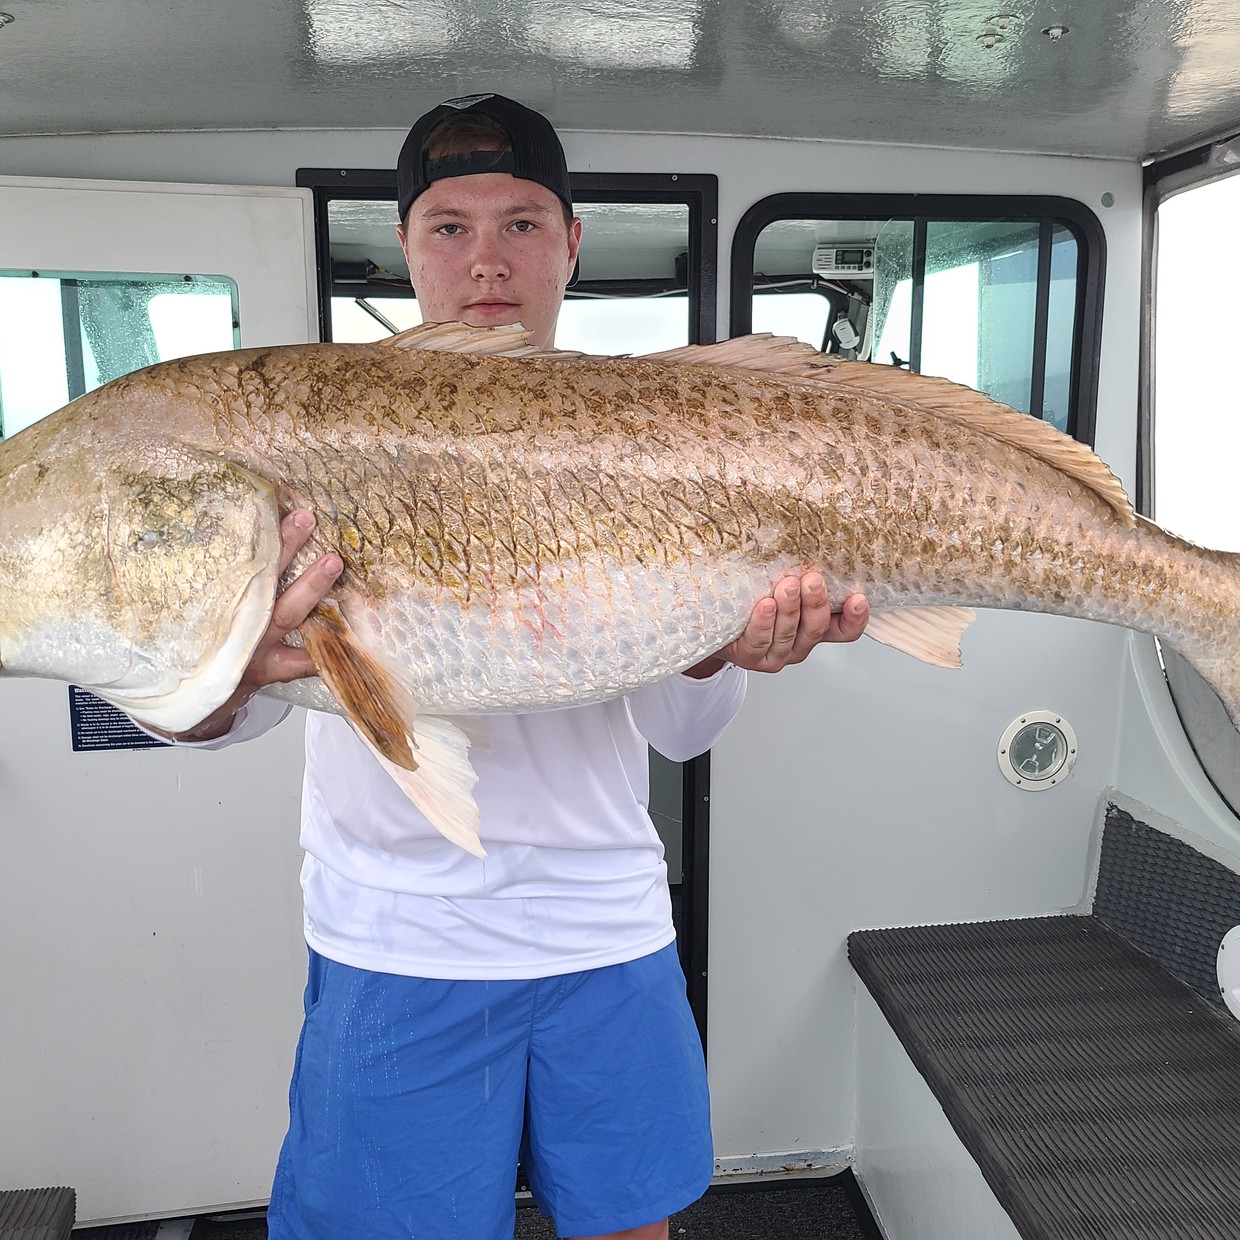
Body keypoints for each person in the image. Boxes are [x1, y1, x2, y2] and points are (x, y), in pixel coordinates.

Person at [171, 94, 870, 1240]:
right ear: (404, 245)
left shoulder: (655, 433)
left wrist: (722, 639)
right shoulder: (310, 427)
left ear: (572, 242)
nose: (486, 260)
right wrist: (240, 661)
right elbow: (206, 724)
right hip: (398, 941)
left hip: (608, 928)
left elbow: (684, 735)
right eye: (449, 226)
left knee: (633, 1228)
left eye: (524, 223)